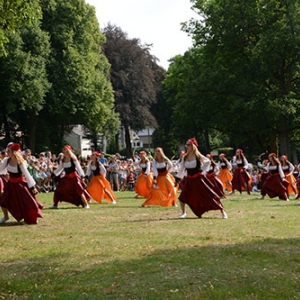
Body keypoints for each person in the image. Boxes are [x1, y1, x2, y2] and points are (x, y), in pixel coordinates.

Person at [177, 138, 227, 219]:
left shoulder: (198, 156)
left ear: (193, 146)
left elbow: (208, 162)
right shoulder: (185, 157)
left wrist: (202, 170)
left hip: (199, 179)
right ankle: (183, 212)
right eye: (186, 145)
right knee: (182, 197)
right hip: (189, 180)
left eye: (188, 145)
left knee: (209, 195)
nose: (187, 146)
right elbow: (181, 168)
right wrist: (179, 178)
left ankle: (222, 210)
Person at [0, 143, 43, 224]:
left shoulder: (20, 162)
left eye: (8, 151)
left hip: (20, 185)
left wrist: (33, 187)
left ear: (13, 152)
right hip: (10, 185)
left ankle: (32, 216)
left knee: (28, 202)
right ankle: (5, 217)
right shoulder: (6, 160)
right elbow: (0, 169)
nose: (7, 153)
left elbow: (27, 175)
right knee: (3, 200)